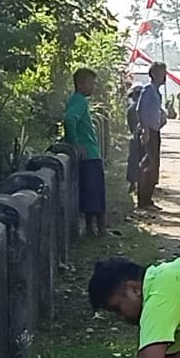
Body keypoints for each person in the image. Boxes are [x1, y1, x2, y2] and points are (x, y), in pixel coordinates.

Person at [61, 68, 107, 237]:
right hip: (89, 153)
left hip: (88, 152)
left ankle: (90, 228)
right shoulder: (80, 101)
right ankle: (101, 229)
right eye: (90, 83)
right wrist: (75, 143)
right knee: (97, 192)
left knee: (89, 193)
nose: (93, 87)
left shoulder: (74, 100)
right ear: (80, 84)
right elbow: (69, 119)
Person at [137, 63, 168, 209]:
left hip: (155, 130)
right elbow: (140, 109)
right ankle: (143, 200)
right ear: (154, 74)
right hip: (149, 131)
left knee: (153, 164)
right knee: (149, 164)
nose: (165, 77)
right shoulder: (148, 90)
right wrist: (145, 129)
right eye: (162, 73)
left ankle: (148, 198)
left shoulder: (156, 92)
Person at [125, 84, 145, 196]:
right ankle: (142, 184)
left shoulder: (131, 109)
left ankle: (133, 183)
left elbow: (130, 125)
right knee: (144, 161)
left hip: (135, 137)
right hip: (145, 137)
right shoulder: (145, 107)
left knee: (133, 161)